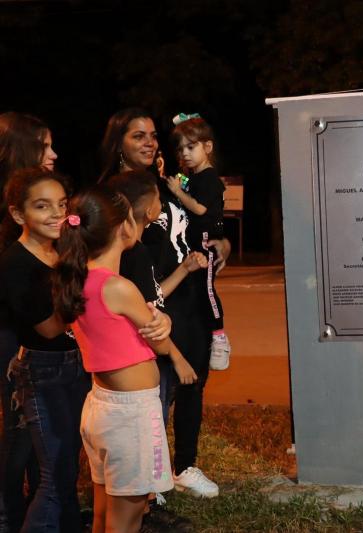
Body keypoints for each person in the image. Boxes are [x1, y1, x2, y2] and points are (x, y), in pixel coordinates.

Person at [52, 185, 197, 533]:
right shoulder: (117, 287)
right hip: (130, 416)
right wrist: (165, 321)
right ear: (123, 228)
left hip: (100, 409)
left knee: (103, 515)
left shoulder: (78, 280)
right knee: (126, 521)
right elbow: (160, 342)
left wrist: (158, 323)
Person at [99, 108, 228, 498]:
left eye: (153, 135)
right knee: (154, 395)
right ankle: (147, 481)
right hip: (148, 304)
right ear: (118, 142)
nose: (150, 142)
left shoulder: (168, 185)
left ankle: (185, 465)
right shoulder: (112, 193)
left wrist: (221, 241)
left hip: (190, 300)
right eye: (138, 135)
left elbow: (199, 225)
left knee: (193, 383)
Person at [0, 168, 89, 532]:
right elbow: (51, 328)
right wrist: (86, 292)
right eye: (42, 206)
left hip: (73, 366)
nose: (55, 214)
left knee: (67, 462)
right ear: (18, 214)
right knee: (52, 471)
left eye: (61, 205)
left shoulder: (62, 251)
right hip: (42, 372)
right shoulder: (15, 264)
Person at [0, 111, 55, 532]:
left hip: (35, 333)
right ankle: (10, 515)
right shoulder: (10, 211)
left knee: (40, 430)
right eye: (44, 146)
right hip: (11, 337)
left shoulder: (40, 199)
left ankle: (44, 507)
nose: (53, 154)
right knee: (22, 428)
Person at [169, 114, 230, 371]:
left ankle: (220, 337)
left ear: (207, 147)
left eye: (191, 147)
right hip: (194, 242)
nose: (185, 154)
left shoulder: (208, 178)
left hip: (205, 241)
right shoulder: (193, 176)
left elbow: (201, 209)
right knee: (197, 290)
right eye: (181, 149)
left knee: (207, 290)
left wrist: (178, 192)